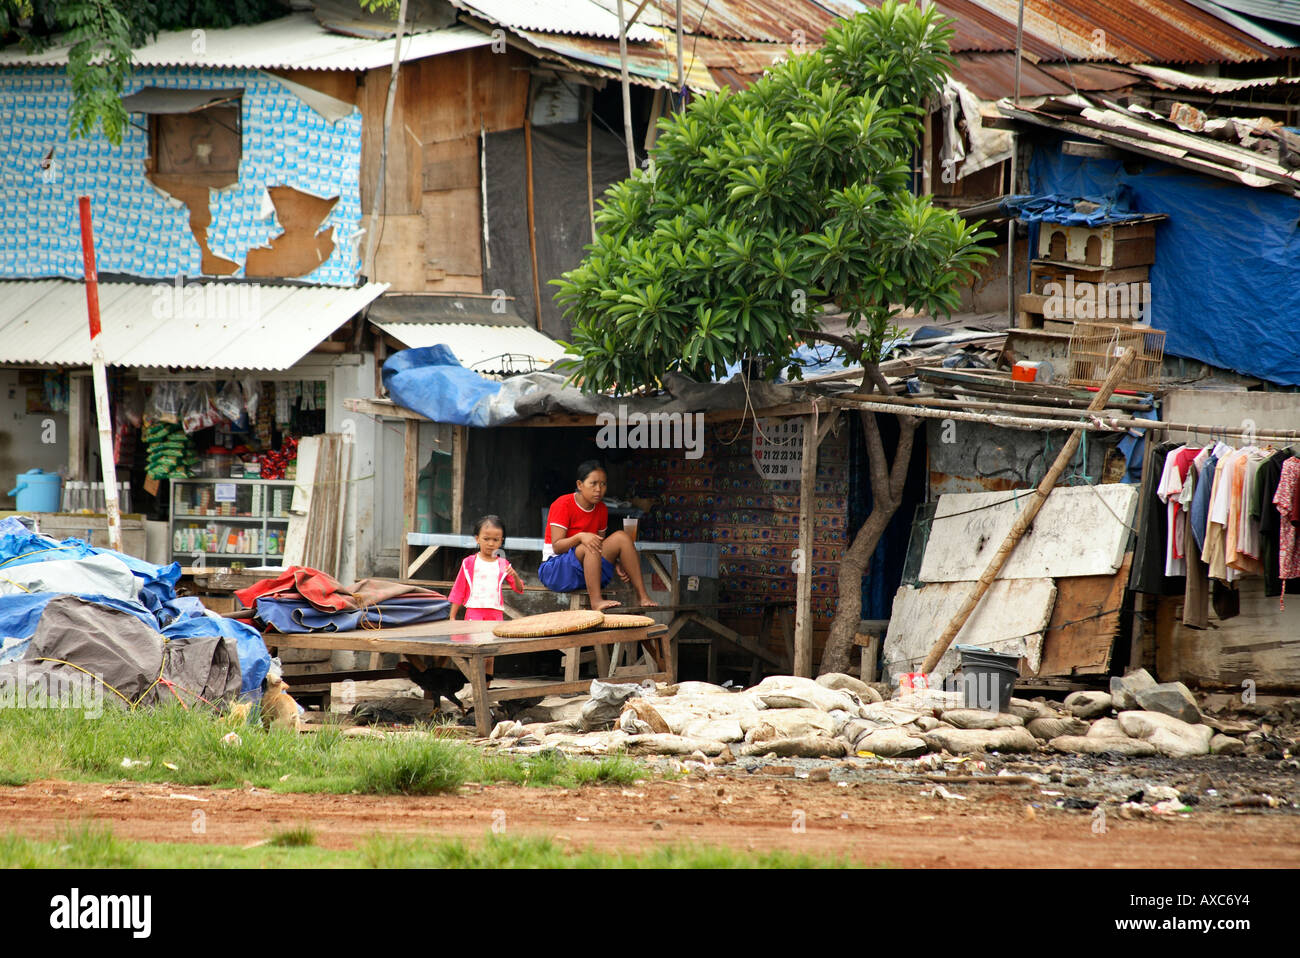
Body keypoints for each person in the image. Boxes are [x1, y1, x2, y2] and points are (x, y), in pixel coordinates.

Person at [539, 460, 658, 611]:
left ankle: (643, 596)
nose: (599, 489)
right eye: (593, 483)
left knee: (621, 537)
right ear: (580, 485)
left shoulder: (601, 509)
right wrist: (580, 536)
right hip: (555, 570)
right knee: (590, 544)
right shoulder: (563, 504)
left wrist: (615, 563)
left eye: (603, 484)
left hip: (586, 569)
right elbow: (557, 547)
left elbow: (600, 546)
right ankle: (596, 601)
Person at [447, 515, 525, 622]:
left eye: (495, 540)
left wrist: (515, 576)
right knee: (473, 639)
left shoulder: (503, 564)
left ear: (501, 541)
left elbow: (519, 589)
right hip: (473, 613)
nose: (491, 543)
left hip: (496, 615)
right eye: (486, 539)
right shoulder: (469, 562)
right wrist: (452, 617)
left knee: (493, 639)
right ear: (477, 538)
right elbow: (459, 590)